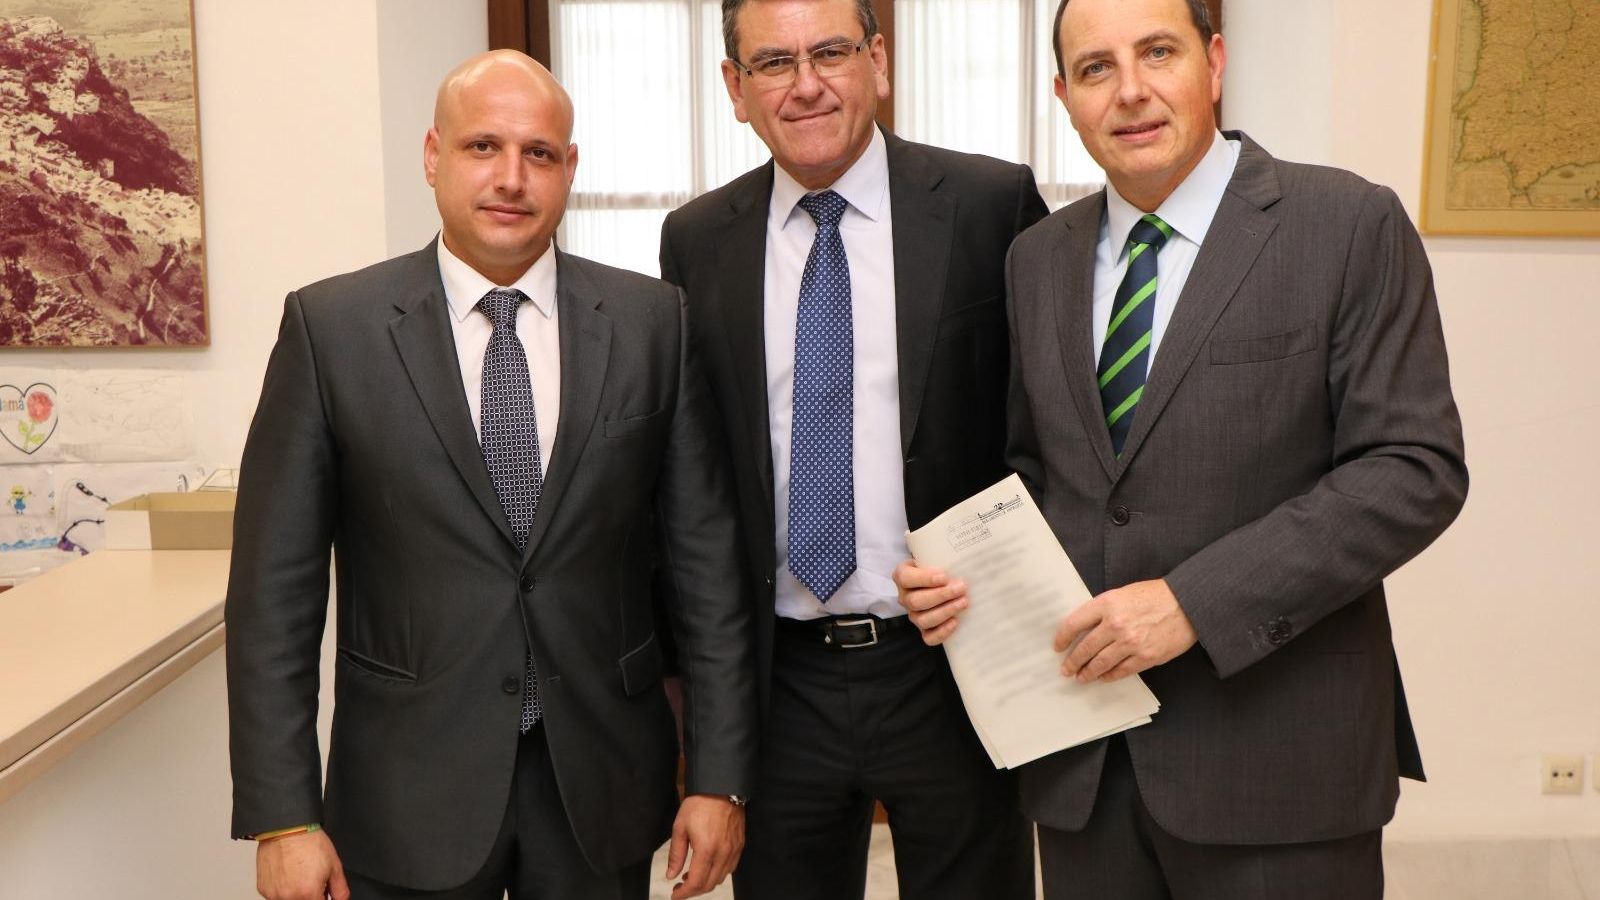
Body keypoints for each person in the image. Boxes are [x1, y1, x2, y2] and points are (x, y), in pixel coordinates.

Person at [895, 0, 1469, 897]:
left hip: (1279, 767)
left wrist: (1192, 604)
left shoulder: (1346, 223)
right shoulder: (1036, 259)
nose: (1129, 92)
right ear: (1063, 95)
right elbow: (1040, 472)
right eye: (1094, 69)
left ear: (1214, 59)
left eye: (1156, 52)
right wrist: (971, 580)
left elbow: (1411, 470)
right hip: (1084, 765)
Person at [226, 51, 755, 900]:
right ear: (434, 156)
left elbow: (708, 572)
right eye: (483, 147)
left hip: (602, 786)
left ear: (569, 169)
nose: (511, 178)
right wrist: (283, 814)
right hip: (404, 789)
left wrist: (718, 777)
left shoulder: (655, 324)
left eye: (538, 153)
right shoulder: (333, 331)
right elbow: (272, 598)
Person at [658, 1, 1048, 898]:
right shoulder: (696, 241)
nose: (805, 85)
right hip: (780, 678)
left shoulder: (990, 204)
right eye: (772, 64)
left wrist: (1005, 570)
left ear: (878, 60)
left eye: (830, 52)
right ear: (734, 88)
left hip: (954, 664)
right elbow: (693, 477)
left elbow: (1049, 423)